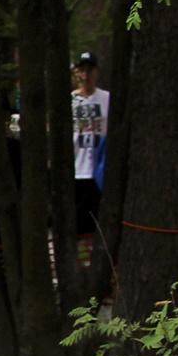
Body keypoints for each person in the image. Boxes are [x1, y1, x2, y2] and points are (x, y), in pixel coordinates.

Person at [72, 51, 110, 227]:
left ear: (96, 72)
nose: (86, 75)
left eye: (90, 70)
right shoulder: (70, 100)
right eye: (83, 71)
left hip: (99, 170)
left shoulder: (106, 99)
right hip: (76, 170)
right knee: (78, 221)